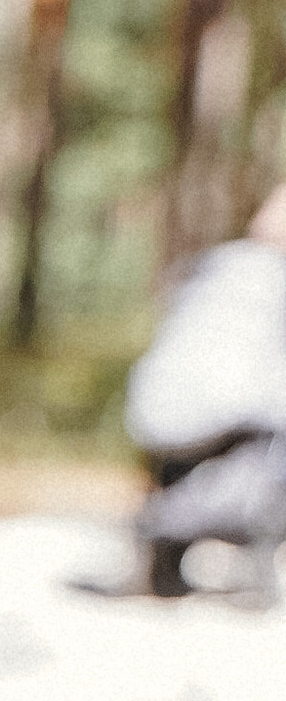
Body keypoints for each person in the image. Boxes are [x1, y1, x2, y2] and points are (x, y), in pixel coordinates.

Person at [116, 188, 286, 606]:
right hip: (224, 430)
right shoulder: (271, 284)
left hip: (158, 427)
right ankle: (211, 532)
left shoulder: (214, 269)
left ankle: (168, 535)